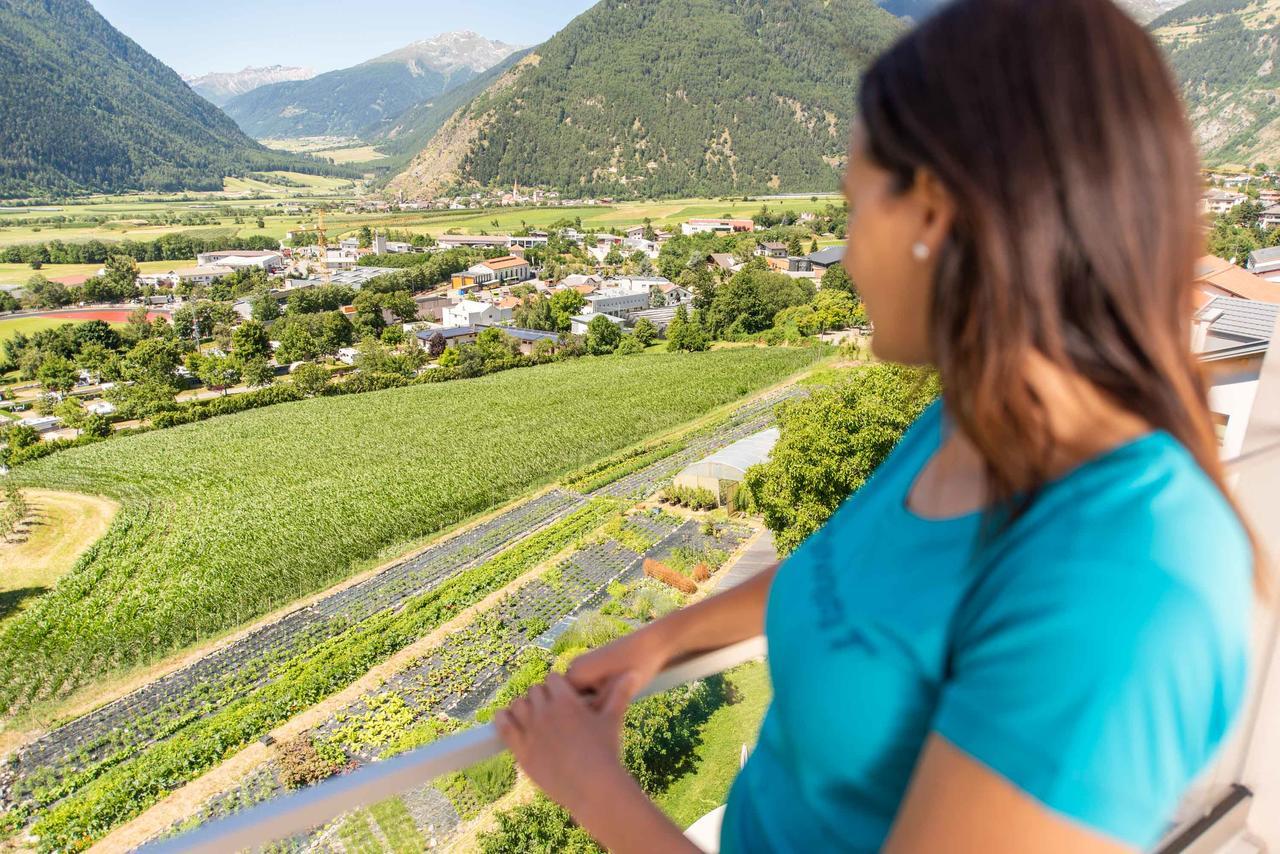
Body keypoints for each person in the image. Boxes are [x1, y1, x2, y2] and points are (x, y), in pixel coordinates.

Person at [494, 0, 1259, 850]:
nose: (848, 253)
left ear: (933, 212)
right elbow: (854, 576)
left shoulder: (1126, 579)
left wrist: (592, 785)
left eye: (855, 206)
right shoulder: (966, 423)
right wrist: (656, 642)